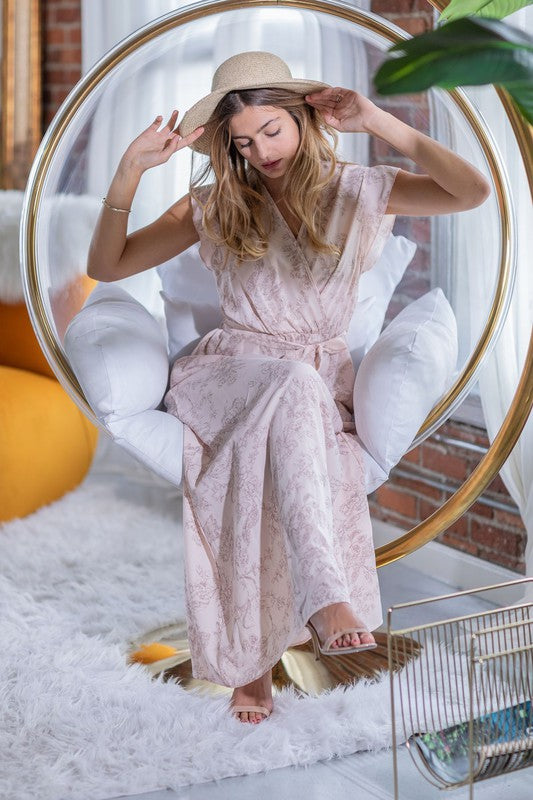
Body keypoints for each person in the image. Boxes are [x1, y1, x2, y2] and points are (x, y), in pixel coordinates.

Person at [87, 51, 490, 725]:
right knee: (292, 386)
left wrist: (377, 122)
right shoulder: (214, 202)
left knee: (295, 401)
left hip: (308, 383)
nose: (258, 150)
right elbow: (107, 263)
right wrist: (131, 171)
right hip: (222, 376)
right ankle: (325, 596)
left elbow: (471, 192)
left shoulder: (361, 189)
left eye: (270, 130)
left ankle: (252, 660)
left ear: (302, 116)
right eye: (242, 141)